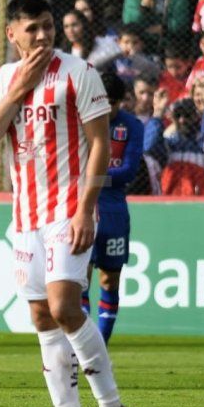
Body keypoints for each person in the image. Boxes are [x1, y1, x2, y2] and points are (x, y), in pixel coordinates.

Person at [0, 0, 130, 407]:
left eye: (47, 26)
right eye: (32, 29)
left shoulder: (79, 72)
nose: (42, 35)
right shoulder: (5, 78)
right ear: (12, 34)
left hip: (69, 208)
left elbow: (100, 144)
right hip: (26, 217)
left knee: (64, 307)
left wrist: (86, 208)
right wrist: (20, 87)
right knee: (41, 315)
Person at [82, 71, 143, 345]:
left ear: (121, 102)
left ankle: (101, 346)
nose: (107, 109)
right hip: (82, 209)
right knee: (80, 280)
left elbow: (128, 171)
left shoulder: (132, 126)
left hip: (113, 211)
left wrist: (93, 177)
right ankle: (83, 347)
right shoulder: (81, 120)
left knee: (109, 281)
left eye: (112, 103)